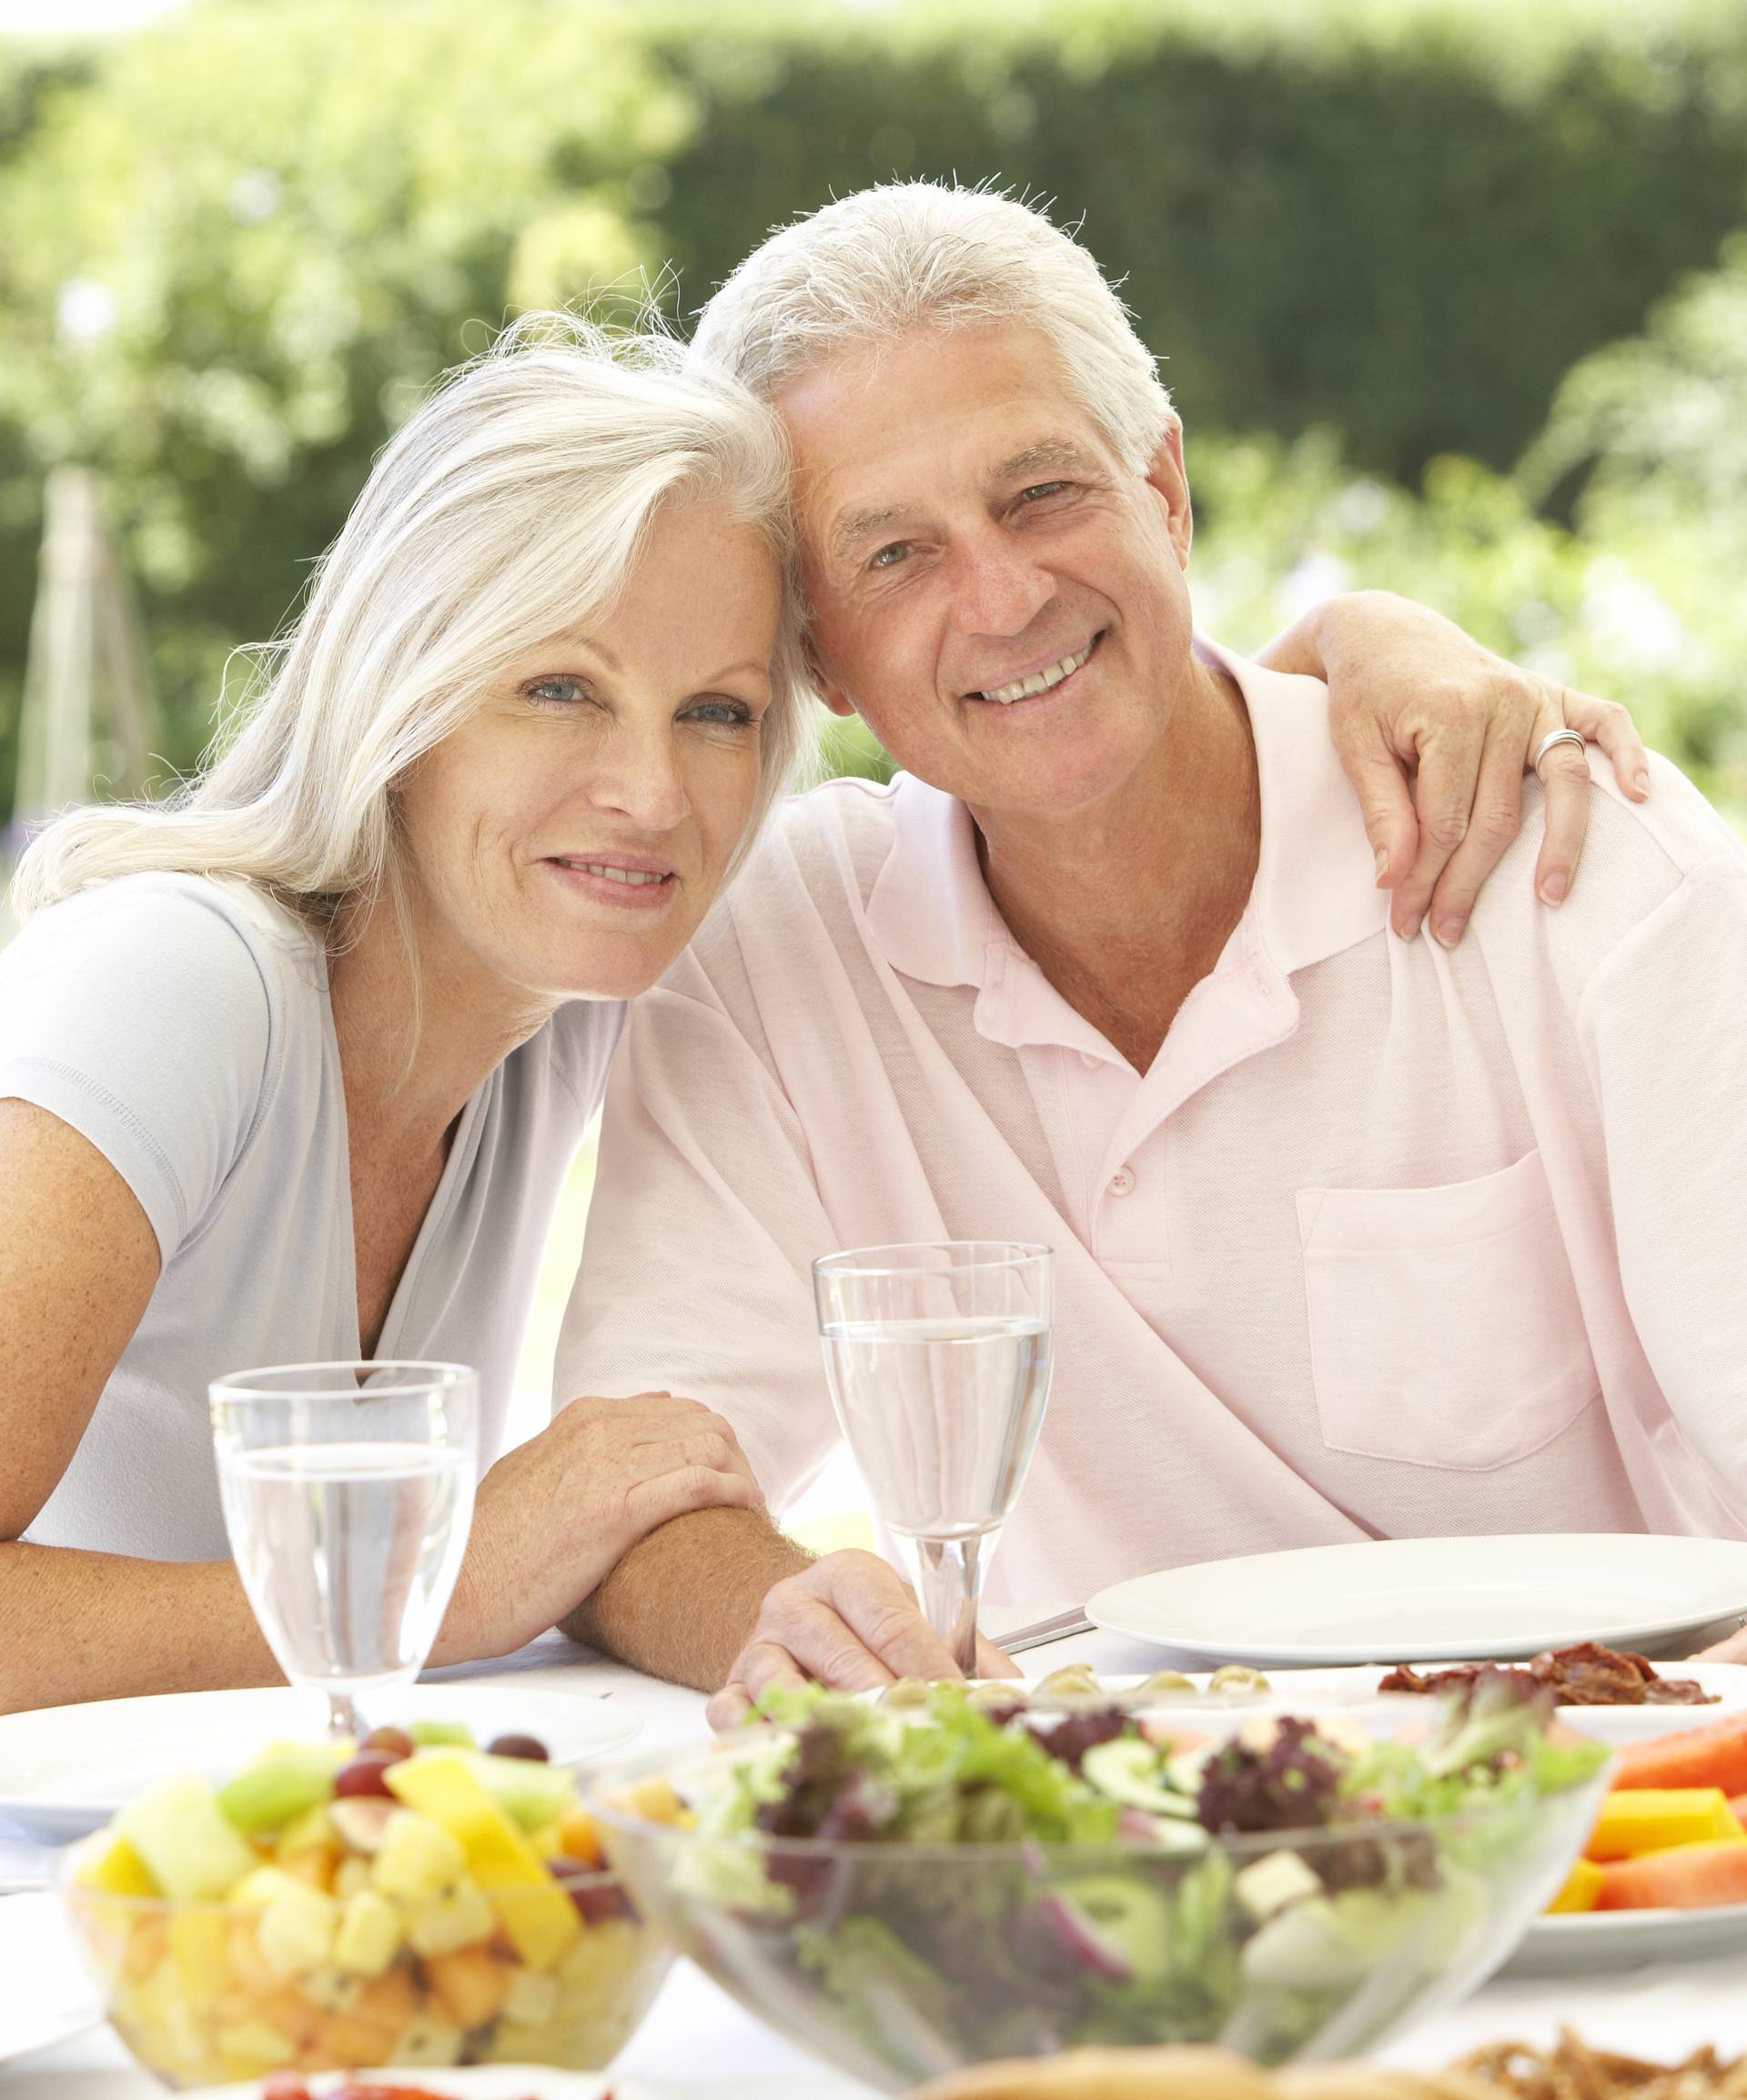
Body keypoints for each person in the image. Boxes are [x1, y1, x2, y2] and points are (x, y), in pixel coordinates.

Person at [554, 183, 1740, 1726]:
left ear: (1164, 490)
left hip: (1601, 1828)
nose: (1002, 595)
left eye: (1042, 492)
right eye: (892, 555)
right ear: (819, 657)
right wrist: (794, 1626)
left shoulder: (1566, 861)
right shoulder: (780, 954)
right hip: (1114, 1861)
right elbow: (635, 1487)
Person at [0, 320, 805, 1711]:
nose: (653, 793)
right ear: (403, 691)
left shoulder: (557, 1011)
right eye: (562, 688)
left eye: (718, 713)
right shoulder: (176, 983)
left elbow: (964, 845)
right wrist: (429, 1584)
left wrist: (1316, 658)